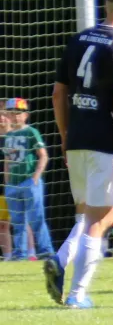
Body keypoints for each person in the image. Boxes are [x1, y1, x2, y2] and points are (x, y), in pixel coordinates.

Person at [45, 0, 113, 308]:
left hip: (76, 139)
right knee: (101, 219)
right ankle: (77, 294)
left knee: (91, 215)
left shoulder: (78, 40)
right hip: (107, 142)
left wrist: (64, 137)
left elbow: (58, 94)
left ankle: (61, 261)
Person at [3, 98, 54, 261]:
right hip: (13, 184)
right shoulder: (8, 136)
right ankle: (20, 253)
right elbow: (7, 159)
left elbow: (43, 155)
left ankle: (46, 250)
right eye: (11, 113)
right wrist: (7, 182)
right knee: (17, 222)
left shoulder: (31, 132)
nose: (14, 116)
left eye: (18, 113)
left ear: (25, 115)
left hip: (29, 182)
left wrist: (35, 178)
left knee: (36, 218)